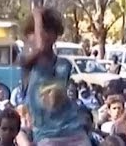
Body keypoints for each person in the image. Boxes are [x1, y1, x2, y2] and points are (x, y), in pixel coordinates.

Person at [19, 8, 88, 145]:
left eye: (47, 30)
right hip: (46, 135)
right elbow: (40, 48)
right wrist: (37, 16)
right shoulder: (27, 62)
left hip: (73, 132)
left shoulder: (65, 65)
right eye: (36, 31)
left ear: (55, 35)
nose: (42, 34)